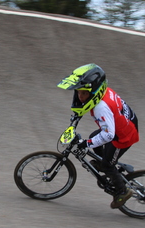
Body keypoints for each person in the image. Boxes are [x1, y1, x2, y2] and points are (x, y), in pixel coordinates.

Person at [57, 63, 139, 209]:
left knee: (108, 164)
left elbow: (108, 135)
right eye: (78, 93)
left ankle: (122, 191)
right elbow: (86, 107)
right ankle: (104, 164)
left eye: (84, 94)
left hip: (123, 136)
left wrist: (86, 144)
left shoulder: (102, 107)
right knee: (95, 136)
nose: (80, 97)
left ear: (94, 92)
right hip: (124, 125)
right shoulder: (102, 92)